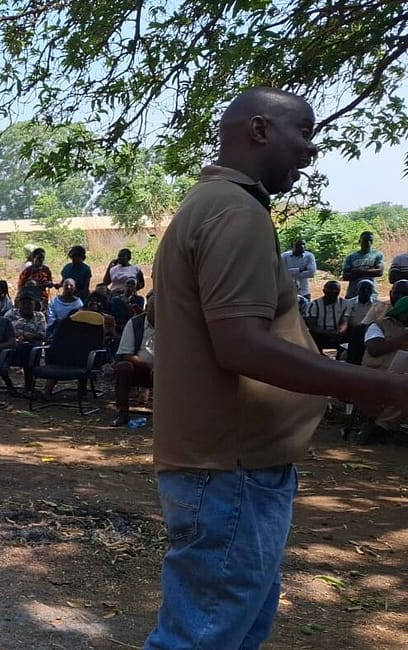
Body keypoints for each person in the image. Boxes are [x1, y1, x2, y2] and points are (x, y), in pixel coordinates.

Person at [147, 87, 408, 649]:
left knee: (232, 633)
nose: (311, 150)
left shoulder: (218, 206)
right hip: (229, 468)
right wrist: (377, 387)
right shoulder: (233, 212)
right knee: (203, 637)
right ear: (260, 130)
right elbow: (241, 346)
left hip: (233, 465)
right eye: (305, 133)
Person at [360, 296, 408, 442]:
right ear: (402, 312)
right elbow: (375, 348)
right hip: (377, 374)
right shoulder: (379, 325)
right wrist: (404, 338)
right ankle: (381, 427)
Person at [112, 298, 154, 427]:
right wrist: (148, 366)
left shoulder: (172, 323)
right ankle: (123, 413)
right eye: (154, 311)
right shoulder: (135, 323)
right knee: (123, 367)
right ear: (147, 309)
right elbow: (127, 354)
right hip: (140, 367)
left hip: (166, 367)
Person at [6, 294, 47, 395]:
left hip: (32, 345)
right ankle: (9, 385)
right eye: (23, 303)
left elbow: (44, 334)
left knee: (29, 351)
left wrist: (31, 336)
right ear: (19, 304)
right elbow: (3, 329)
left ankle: (28, 387)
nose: (26, 306)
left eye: (29, 304)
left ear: (34, 305)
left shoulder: (39, 316)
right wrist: (20, 335)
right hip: (12, 345)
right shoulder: (11, 314)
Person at [304, 280, 349, 352]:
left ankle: (341, 360)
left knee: (348, 338)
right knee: (312, 336)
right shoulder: (314, 304)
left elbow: (344, 322)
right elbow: (312, 326)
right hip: (319, 333)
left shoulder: (345, 303)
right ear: (324, 290)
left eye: (336, 289)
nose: (333, 292)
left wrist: (339, 332)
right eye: (330, 289)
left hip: (336, 333)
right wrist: (328, 333)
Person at [341, 231, 384, 299]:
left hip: (371, 294)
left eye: (370, 240)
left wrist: (358, 271)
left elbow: (379, 272)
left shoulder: (377, 255)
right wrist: (370, 271)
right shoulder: (351, 257)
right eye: (365, 240)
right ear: (359, 241)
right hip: (353, 294)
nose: (368, 243)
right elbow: (345, 276)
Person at [345, 279, 377, 365]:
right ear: (357, 290)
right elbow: (345, 320)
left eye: (368, 289)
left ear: (372, 291)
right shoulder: (349, 303)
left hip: (370, 332)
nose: (365, 291)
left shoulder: (377, 305)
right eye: (363, 289)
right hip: (353, 332)